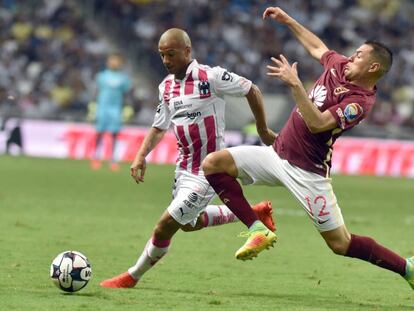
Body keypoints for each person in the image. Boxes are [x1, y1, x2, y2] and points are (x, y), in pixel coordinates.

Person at [202, 6, 414, 289]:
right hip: (276, 154)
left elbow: (317, 123)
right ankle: (257, 229)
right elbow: (317, 47)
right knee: (213, 164)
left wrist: (295, 85)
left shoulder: (359, 103)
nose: (352, 56)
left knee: (340, 244)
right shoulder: (339, 66)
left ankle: (407, 268)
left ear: (373, 68)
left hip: (308, 174)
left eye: (360, 55)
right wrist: (289, 20)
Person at [99, 28, 277, 288]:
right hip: (183, 169)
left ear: (187, 51)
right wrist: (140, 155)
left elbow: (252, 89)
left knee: (165, 226)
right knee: (189, 224)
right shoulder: (166, 87)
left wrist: (262, 129)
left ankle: (131, 276)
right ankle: (254, 213)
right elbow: (159, 126)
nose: (166, 60)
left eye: (170, 54)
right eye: (162, 55)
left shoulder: (211, 77)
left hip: (209, 170)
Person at [90, 53, 132, 171]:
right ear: (108, 62)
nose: (114, 63)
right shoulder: (101, 76)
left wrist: (128, 107)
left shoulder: (123, 79)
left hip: (116, 109)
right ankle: (96, 157)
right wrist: (92, 105)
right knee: (99, 132)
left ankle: (113, 159)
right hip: (102, 108)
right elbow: (96, 91)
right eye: (112, 60)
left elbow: (127, 94)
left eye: (116, 61)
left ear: (120, 63)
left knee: (114, 134)